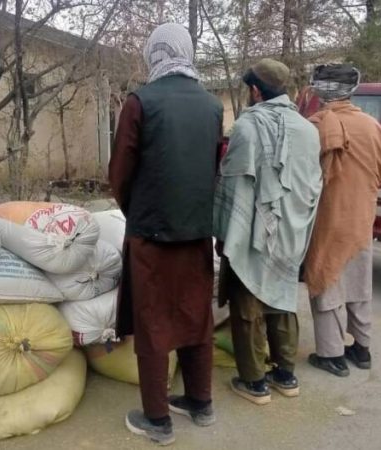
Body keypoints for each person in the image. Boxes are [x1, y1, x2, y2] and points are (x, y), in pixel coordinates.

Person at [109, 23, 223, 446]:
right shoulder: (212, 105)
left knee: (154, 320)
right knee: (196, 315)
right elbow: (212, 168)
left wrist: (136, 212)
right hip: (196, 233)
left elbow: (119, 173)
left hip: (152, 236)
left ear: (154, 52)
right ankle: (200, 401)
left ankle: (157, 419)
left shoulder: (141, 101)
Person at [214, 58, 322, 405]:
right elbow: (313, 187)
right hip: (293, 230)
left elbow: (233, 185)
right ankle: (286, 375)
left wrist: (223, 232)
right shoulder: (308, 130)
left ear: (255, 90)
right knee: (283, 299)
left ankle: (254, 381)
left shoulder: (248, 127)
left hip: (254, 231)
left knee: (248, 304)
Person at [302, 64, 381, 377]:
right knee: (358, 282)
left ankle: (332, 355)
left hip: (326, 219)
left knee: (325, 279)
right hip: (361, 218)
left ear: (319, 90)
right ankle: (362, 349)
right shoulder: (371, 126)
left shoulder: (314, 125)